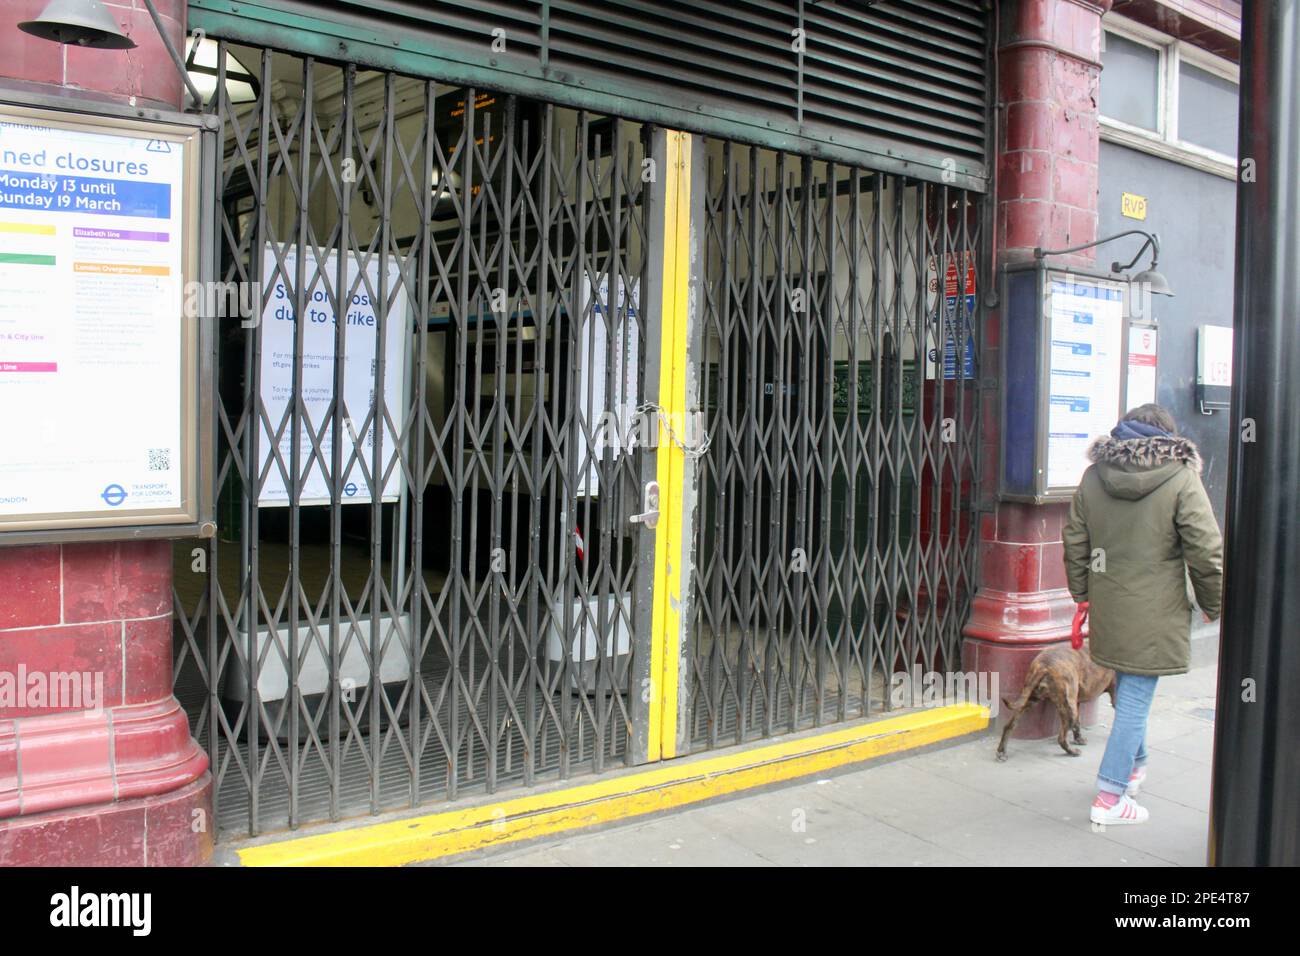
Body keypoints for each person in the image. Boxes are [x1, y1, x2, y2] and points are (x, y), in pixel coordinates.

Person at [1062, 403, 1223, 826]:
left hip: (1110, 606)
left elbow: (1075, 538)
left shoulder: (1094, 476)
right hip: (1156, 611)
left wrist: (1082, 592)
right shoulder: (1182, 478)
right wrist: (1214, 604)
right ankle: (1110, 798)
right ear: (1167, 436)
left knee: (1131, 690)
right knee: (1135, 699)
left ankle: (1135, 768)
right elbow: (1206, 549)